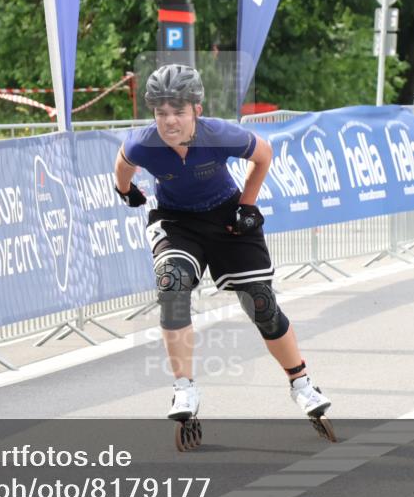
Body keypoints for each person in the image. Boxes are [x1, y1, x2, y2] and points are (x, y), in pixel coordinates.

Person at [113, 64, 332, 431]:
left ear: (197, 110)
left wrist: (247, 205)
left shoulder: (219, 134)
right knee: (172, 285)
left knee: (261, 304)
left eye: (178, 112)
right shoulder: (143, 142)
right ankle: (184, 389)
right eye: (161, 112)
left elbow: (263, 155)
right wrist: (126, 191)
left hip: (226, 216)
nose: (169, 122)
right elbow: (122, 164)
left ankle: (302, 384)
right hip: (177, 221)